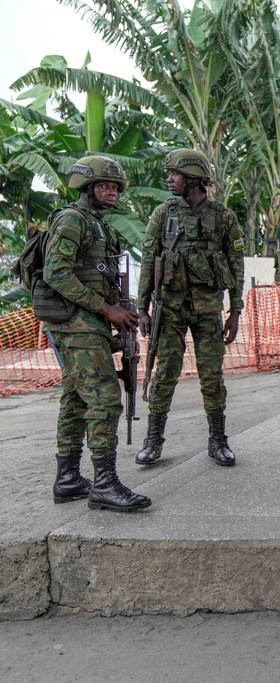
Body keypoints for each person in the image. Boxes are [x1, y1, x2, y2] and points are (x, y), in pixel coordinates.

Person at [42, 155, 150, 511]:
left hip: (89, 323)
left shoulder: (101, 225)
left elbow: (105, 277)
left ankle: (68, 479)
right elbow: (55, 273)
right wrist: (107, 309)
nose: (112, 192)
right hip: (75, 324)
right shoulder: (72, 219)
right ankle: (104, 485)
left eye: (115, 187)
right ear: (85, 187)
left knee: (76, 400)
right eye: (104, 186)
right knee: (104, 399)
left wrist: (122, 311)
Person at [134, 149, 245, 467]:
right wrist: (142, 307)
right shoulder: (162, 213)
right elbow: (148, 260)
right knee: (165, 373)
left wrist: (235, 310)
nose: (169, 179)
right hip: (169, 308)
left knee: (212, 376)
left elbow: (236, 264)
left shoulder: (223, 217)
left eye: (176, 174)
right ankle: (153, 441)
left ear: (194, 179)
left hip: (208, 309)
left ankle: (218, 440)